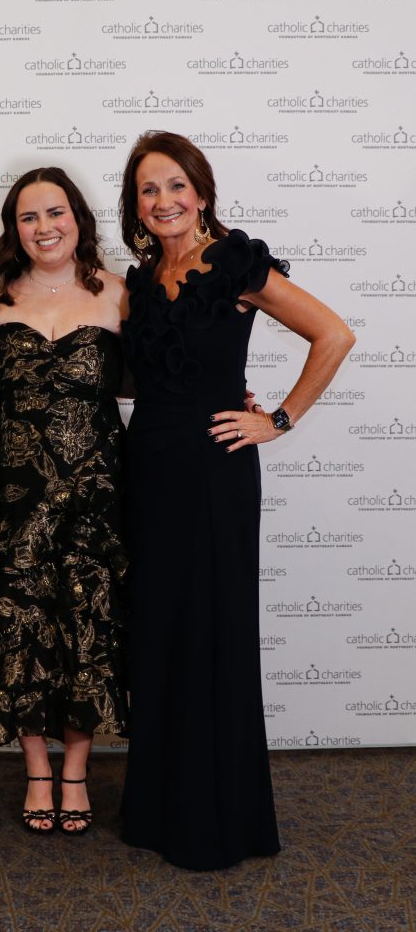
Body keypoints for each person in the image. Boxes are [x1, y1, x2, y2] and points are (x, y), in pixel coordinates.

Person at [119, 131, 355, 870]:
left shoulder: (235, 263)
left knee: (211, 629)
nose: (163, 201)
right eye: (148, 189)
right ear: (135, 204)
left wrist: (276, 418)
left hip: (214, 471)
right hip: (147, 468)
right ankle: (158, 807)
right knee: (159, 630)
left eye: (175, 185)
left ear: (201, 192)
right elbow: (140, 377)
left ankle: (215, 817)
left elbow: (333, 334)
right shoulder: (139, 279)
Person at [0, 167, 129, 835]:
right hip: (11, 495)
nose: (44, 227)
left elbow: (159, 380)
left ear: (78, 218)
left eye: (56, 213)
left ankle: (75, 771)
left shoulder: (118, 292)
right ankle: (36, 771)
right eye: (28, 217)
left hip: (94, 493)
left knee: (86, 624)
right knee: (19, 625)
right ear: (12, 229)